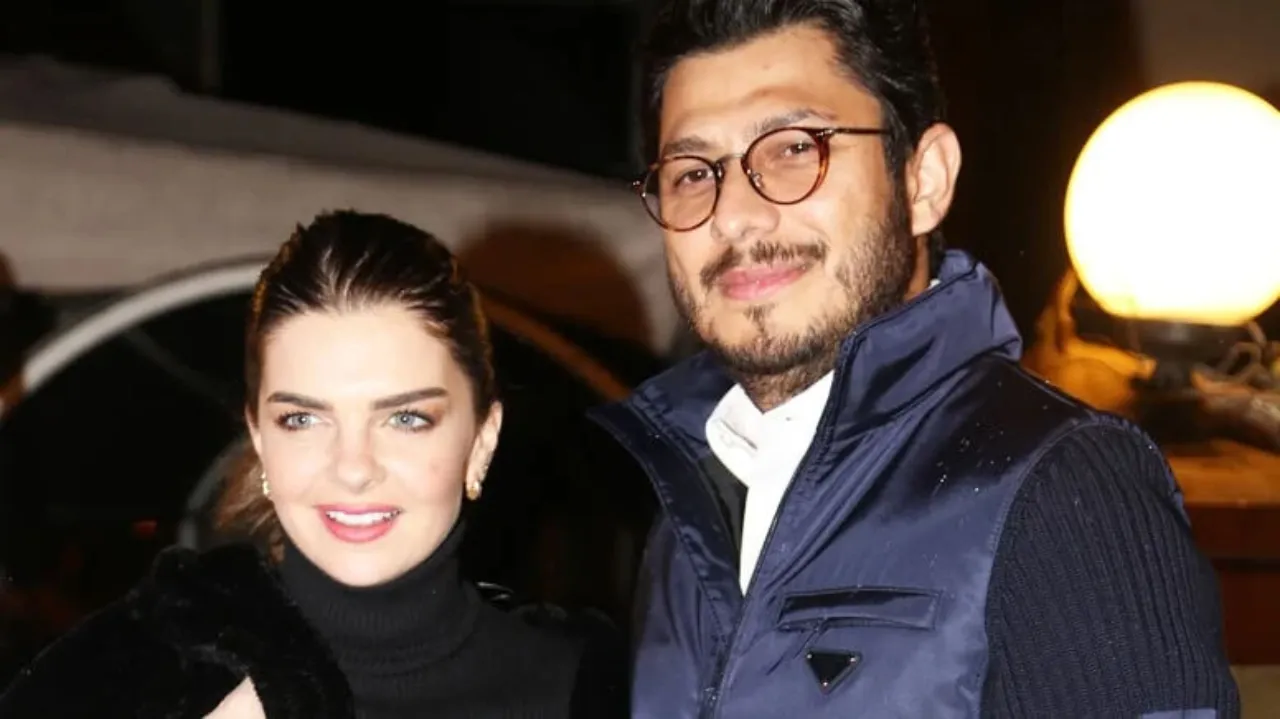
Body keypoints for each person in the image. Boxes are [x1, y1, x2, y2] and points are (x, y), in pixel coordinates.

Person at [588, 1, 1241, 717]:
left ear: (923, 180)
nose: (735, 214)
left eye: (795, 148)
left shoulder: (1061, 488)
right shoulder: (692, 501)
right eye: (692, 173)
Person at [0, 210, 624, 718]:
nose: (352, 467)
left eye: (406, 418)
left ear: (482, 439)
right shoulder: (142, 667)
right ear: (259, 437)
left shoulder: (600, 688)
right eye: (303, 419)